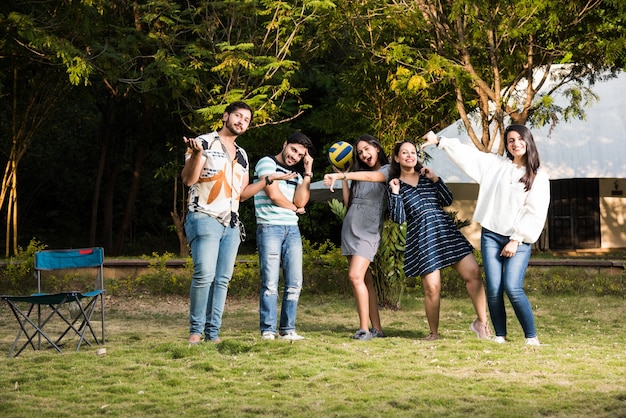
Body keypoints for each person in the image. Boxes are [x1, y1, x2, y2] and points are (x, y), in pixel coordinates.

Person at [422, 125, 550, 346]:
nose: (515, 143)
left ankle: (531, 336)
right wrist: (440, 141)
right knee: (493, 287)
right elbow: (468, 156)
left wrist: (516, 239)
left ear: (528, 142)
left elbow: (535, 211)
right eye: (510, 140)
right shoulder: (495, 165)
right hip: (491, 234)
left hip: (517, 239)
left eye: (520, 139)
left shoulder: (538, 176)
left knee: (512, 286)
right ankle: (499, 334)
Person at [182, 101, 293, 345]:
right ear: (225, 116)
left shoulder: (242, 155)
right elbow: (189, 180)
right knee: (204, 274)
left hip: (231, 223)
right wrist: (198, 154)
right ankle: (195, 332)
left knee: (222, 279)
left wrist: (267, 179)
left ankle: (213, 334)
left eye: (246, 120)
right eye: (238, 116)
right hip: (204, 215)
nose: (242, 121)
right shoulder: (204, 142)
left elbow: (241, 194)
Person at [388, 140, 491, 341]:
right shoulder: (396, 185)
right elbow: (398, 218)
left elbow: (446, 200)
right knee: (432, 288)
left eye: (413, 152)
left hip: (445, 230)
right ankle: (434, 333)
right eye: (404, 153)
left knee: (474, 273)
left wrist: (436, 179)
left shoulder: (427, 177)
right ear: (396, 158)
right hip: (422, 236)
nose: (410, 155)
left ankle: (482, 323)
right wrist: (394, 194)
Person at [323, 134, 390, 341]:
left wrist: (344, 177)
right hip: (350, 228)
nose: (364, 154)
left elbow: (373, 178)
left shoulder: (387, 170)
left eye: (367, 149)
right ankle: (376, 328)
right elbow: (349, 202)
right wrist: (344, 176)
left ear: (377, 148)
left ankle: (364, 329)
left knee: (354, 276)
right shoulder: (358, 174)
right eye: (359, 152)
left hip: (368, 231)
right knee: (364, 280)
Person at [253, 132, 315, 341]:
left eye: (300, 155)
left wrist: (307, 172)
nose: (295, 157)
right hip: (269, 226)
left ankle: (287, 329)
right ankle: (268, 330)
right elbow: (274, 194)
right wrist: (294, 209)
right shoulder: (266, 163)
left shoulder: (296, 174)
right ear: (285, 144)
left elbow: (302, 201)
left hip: (292, 230)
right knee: (270, 282)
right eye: (293, 150)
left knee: (295, 282)